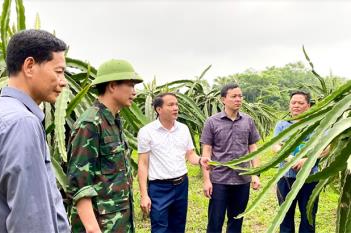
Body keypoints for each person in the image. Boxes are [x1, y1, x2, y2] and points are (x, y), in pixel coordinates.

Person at [0, 29, 70, 233]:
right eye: (59, 71)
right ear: (29, 66)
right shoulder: (22, 123)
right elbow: (31, 219)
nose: (63, 81)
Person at [67, 59, 143, 233]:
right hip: (100, 225)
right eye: (130, 85)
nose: (134, 92)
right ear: (112, 86)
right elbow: (79, 184)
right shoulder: (90, 123)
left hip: (118, 222)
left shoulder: (113, 121)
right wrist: (93, 229)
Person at [137, 93, 209, 233]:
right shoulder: (146, 132)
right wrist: (144, 195)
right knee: (160, 228)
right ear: (159, 109)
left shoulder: (183, 129)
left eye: (176, 104)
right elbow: (143, 164)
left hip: (181, 184)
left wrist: (200, 160)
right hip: (159, 188)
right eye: (170, 105)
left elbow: (190, 154)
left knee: (178, 226)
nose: (175, 108)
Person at [201, 83, 261, 233]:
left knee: (236, 221)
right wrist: (206, 180)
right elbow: (206, 152)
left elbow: (253, 148)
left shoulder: (248, 121)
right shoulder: (212, 122)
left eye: (240, 96)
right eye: (233, 96)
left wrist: (255, 174)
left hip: (242, 179)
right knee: (215, 221)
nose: (238, 99)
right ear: (223, 99)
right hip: (219, 180)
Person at [273, 91, 327, 233]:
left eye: (300, 103)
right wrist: (291, 159)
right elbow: (276, 146)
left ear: (308, 106)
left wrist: (308, 160)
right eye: (293, 102)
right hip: (286, 177)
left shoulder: (318, 125)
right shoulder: (282, 125)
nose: (296, 105)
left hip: (310, 178)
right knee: (285, 216)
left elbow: (327, 146)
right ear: (289, 105)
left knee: (308, 216)